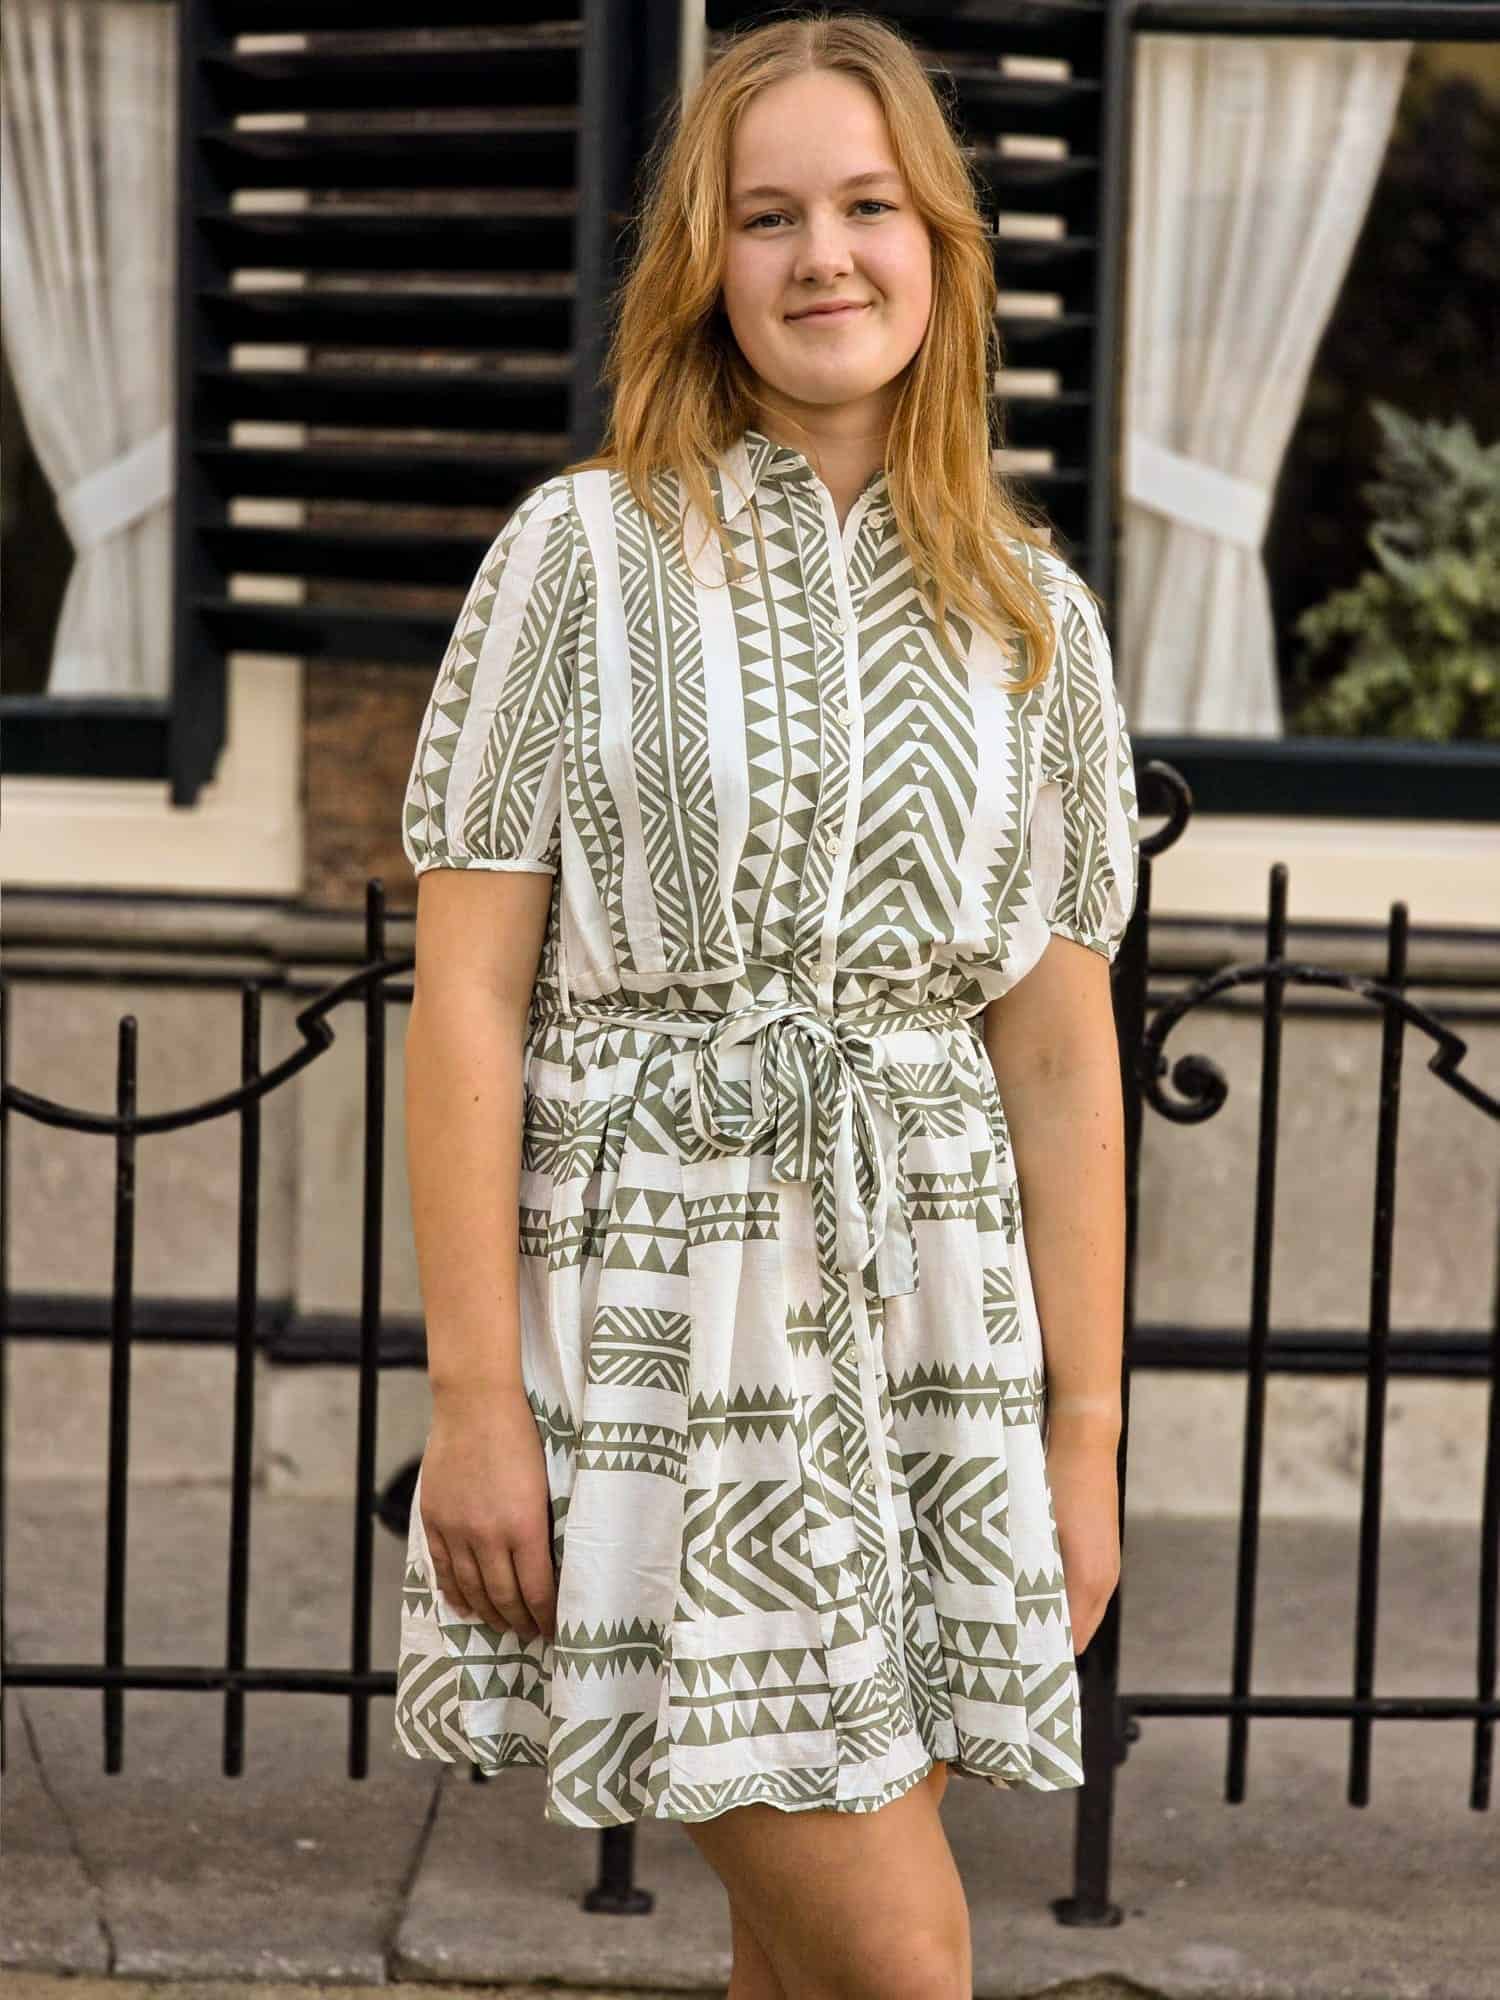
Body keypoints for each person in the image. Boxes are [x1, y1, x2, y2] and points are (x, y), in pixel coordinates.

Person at [393, 10, 1139, 1996]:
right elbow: (463, 996)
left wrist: (1082, 1440)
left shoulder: (1034, 615)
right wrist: (474, 1403)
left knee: (802, 1966)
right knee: (904, 1958)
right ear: (703, 264)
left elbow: (1061, 1056)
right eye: (769, 215)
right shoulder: (581, 555)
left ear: (940, 247)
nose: (826, 257)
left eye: (870, 207)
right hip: (661, 1316)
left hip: (931, 1330)